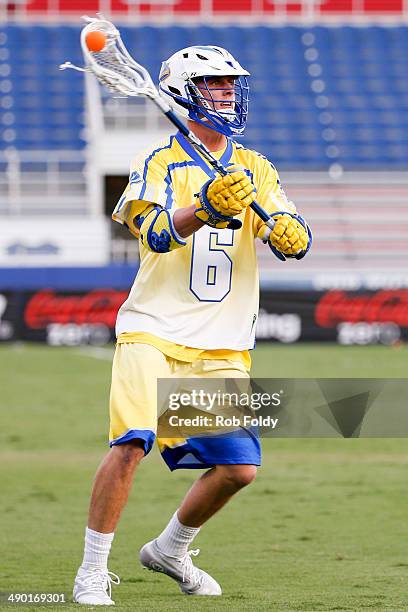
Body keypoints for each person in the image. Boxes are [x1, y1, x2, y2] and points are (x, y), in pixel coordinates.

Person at [73, 45, 312, 605]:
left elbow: (286, 220)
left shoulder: (253, 165)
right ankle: (92, 570)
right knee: (132, 442)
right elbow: (154, 231)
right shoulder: (159, 160)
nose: (228, 92)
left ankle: (170, 549)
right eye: (215, 84)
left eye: (232, 84)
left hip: (222, 342)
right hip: (153, 327)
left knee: (238, 468)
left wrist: (288, 231)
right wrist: (202, 206)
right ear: (184, 90)